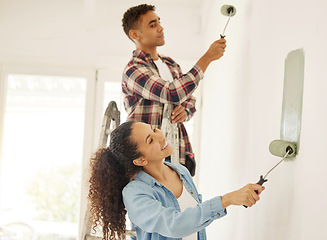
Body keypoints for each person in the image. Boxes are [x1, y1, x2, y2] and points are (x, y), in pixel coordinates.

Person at [88, 121, 265, 240]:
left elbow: (195, 222)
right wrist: (227, 200)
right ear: (140, 160)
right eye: (151, 141)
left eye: (154, 130)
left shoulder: (181, 171)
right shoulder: (135, 193)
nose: (161, 137)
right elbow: (174, 224)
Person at [121, 4, 227, 175]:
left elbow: (188, 98)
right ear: (135, 34)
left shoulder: (170, 64)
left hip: (175, 151)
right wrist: (207, 58)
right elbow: (172, 93)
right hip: (146, 159)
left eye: (159, 22)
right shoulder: (134, 69)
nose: (160, 28)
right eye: (152, 25)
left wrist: (185, 110)